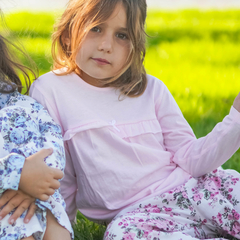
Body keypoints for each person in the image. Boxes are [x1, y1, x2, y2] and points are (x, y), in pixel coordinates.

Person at [29, 0, 240, 239]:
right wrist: (61, 227)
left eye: (122, 35)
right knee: (121, 236)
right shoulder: (51, 90)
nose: (106, 46)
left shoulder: (151, 89)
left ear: (135, 45)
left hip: (199, 191)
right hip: (138, 216)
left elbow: (192, 159)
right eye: (96, 28)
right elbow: (57, 173)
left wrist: (237, 118)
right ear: (67, 34)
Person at [0, 17, 73, 240]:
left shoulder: (22, 103)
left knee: (56, 229)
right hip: (4, 202)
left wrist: (41, 178)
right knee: (13, 223)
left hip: (43, 196)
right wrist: (18, 174)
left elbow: (52, 137)